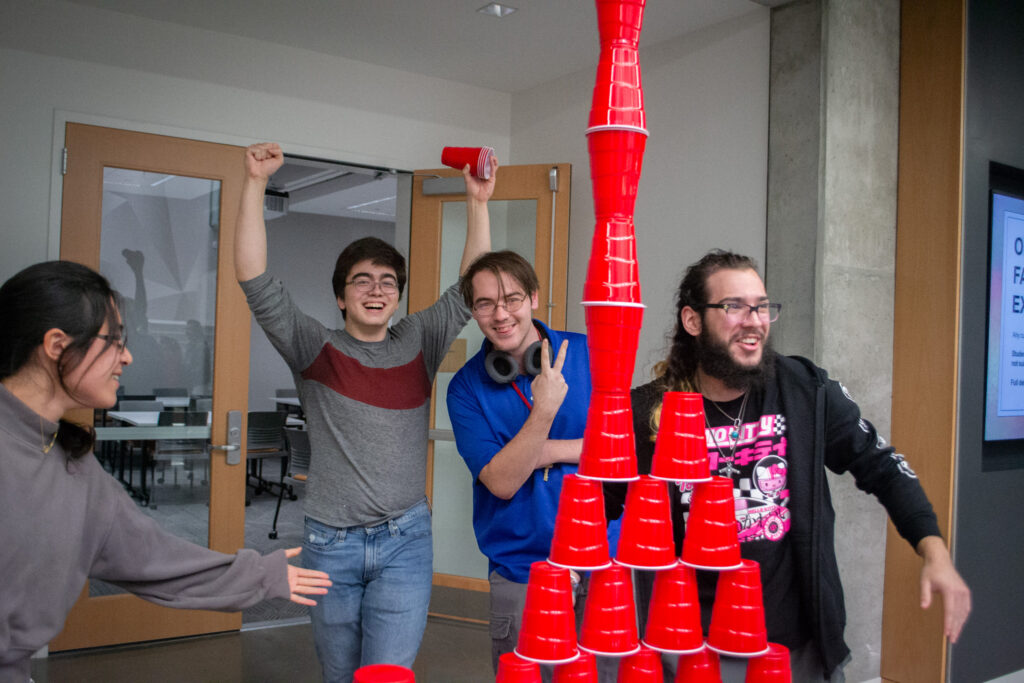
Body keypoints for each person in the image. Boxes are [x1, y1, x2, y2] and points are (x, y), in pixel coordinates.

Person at [604, 250, 971, 682]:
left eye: (761, 306)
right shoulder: (646, 412)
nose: (754, 320)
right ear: (692, 320)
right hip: (690, 648)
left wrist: (935, 551)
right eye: (734, 306)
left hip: (793, 648)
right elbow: (601, 507)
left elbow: (882, 466)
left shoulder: (805, 391)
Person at [234, 142, 493, 682]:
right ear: (341, 297)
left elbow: (469, 288)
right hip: (331, 544)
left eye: (387, 282)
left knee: (387, 675)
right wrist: (256, 183)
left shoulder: (420, 338)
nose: (376, 290)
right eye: (362, 281)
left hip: (406, 541)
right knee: (340, 674)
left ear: (397, 296)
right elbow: (255, 279)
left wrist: (478, 202)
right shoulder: (312, 346)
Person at [0, 261, 331, 682]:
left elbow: (151, 558)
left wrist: (257, 575)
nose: (128, 356)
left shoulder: (72, 464)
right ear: (56, 345)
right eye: (114, 341)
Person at [446, 249, 619, 682]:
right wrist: (544, 410)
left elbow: (623, 449)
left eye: (513, 299)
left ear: (534, 299)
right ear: (473, 312)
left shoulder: (589, 353)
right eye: (485, 303)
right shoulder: (465, 388)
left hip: (605, 564)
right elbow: (502, 482)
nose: (500, 314)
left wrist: (541, 452)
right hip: (523, 574)